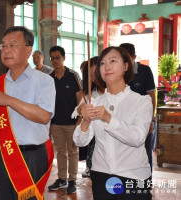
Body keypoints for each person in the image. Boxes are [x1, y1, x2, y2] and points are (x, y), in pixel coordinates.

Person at [0, 26, 56, 200]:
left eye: (12, 45)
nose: (6, 50)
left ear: (28, 50)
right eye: (3, 46)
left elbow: (44, 116)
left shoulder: (44, 81)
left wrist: (8, 100)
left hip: (31, 157)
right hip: (2, 156)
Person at [73, 46, 152, 200]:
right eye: (102, 63)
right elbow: (80, 141)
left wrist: (108, 118)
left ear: (126, 66)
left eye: (113, 61)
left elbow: (137, 138)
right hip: (102, 175)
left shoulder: (141, 101)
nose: (107, 66)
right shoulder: (95, 101)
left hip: (134, 176)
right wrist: (85, 121)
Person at [48, 46, 82, 194]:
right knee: (61, 152)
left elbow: (80, 98)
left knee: (73, 151)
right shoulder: (49, 78)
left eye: (58, 57)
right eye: (53, 58)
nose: (55, 61)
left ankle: (72, 180)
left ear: (64, 58)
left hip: (72, 122)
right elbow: (47, 100)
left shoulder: (73, 75)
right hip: (56, 123)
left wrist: (80, 118)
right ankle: (62, 179)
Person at [119, 43, 156, 172]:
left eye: (127, 58)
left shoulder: (145, 71)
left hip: (143, 121)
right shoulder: (118, 71)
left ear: (134, 57)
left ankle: (145, 183)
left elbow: (151, 95)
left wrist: (151, 120)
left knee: (145, 152)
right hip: (124, 121)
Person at [71, 56, 104, 178]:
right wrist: (82, 111)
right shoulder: (91, 94)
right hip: (99, 150)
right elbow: (79, 140)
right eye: (91, 76)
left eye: (97, 73)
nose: (95, 78)